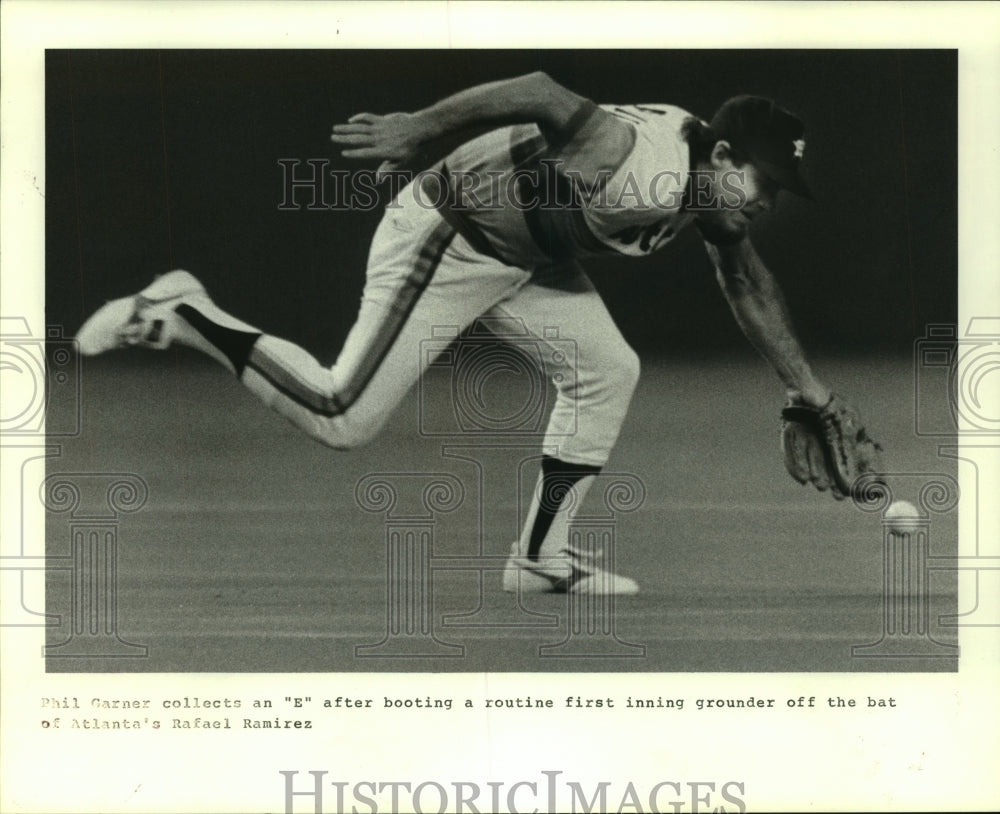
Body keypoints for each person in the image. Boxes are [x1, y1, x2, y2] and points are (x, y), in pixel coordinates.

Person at [76, 72, 857, 596]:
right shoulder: (643, 161)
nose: (765, 202)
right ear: (722, 156)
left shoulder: (706, 190)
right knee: (341, 414)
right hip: (452, 230)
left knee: (608, 370)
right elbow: (539, 92)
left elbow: (746, 279)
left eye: (778, 190)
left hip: (528, 255)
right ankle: (182, 311)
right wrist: (419, 127)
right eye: (763, 181)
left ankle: (539, 560)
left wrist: (807, 390)